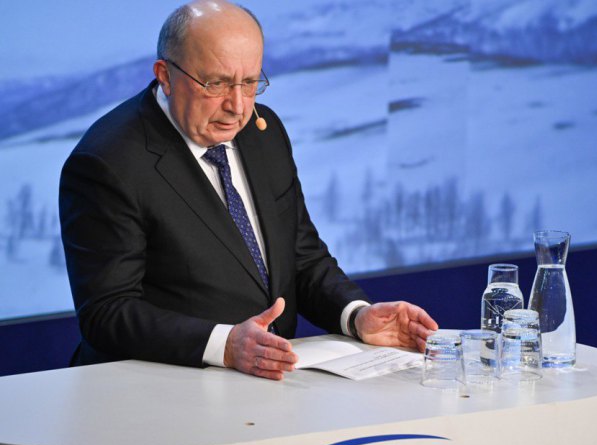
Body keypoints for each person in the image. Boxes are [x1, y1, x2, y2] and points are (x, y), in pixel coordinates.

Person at [59, 0, 438, 380]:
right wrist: (224, 344)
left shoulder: (263, 132)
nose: (237, 107)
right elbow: (107, 311)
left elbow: (300, 256)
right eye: (216, 84)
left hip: (263, 384)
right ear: (165, 75)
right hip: (154, 388)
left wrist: (356, 316)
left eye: (250, 82)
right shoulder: (108, 162)